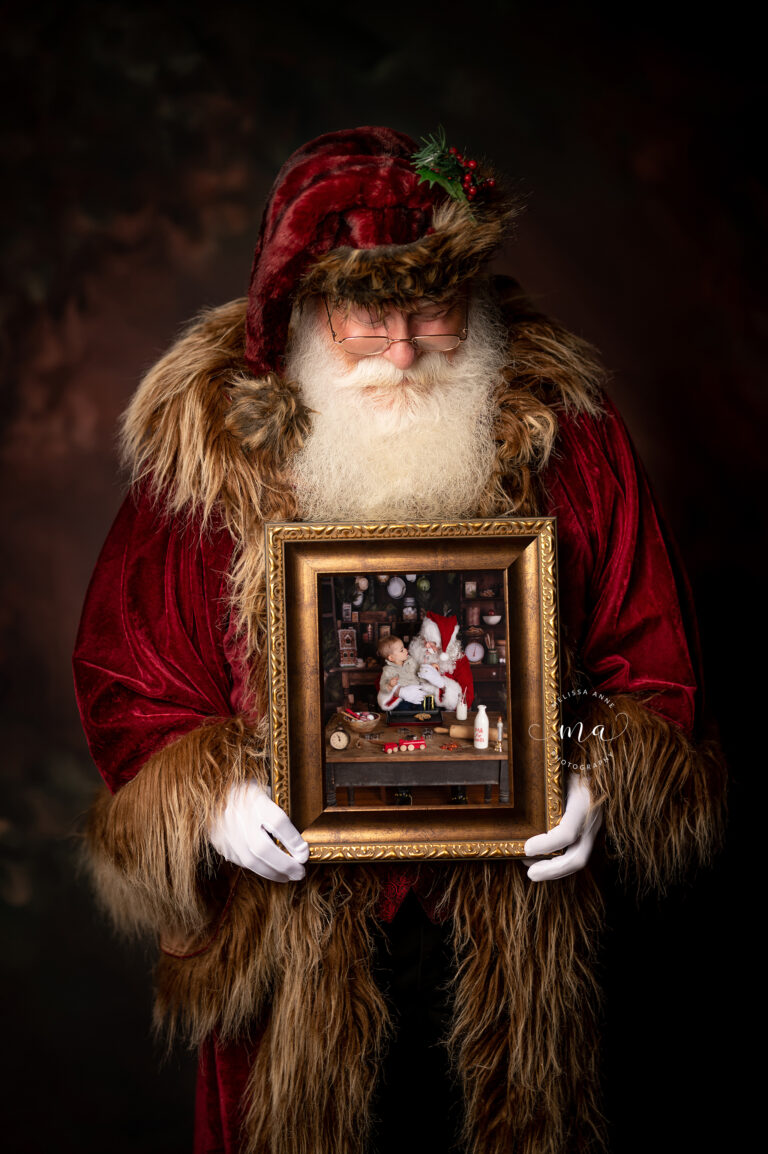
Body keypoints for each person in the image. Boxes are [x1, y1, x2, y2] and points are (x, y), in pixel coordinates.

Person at [73, 127, 725, 1154]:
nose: (405, 345)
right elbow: (127, 671)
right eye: (366, 312)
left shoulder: (570, 427)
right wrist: (211, 798)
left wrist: (601, 772)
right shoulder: (210, 448)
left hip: (514, 935)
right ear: (301, 304)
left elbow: (650, 653)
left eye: (432, 309)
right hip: (292, 941)